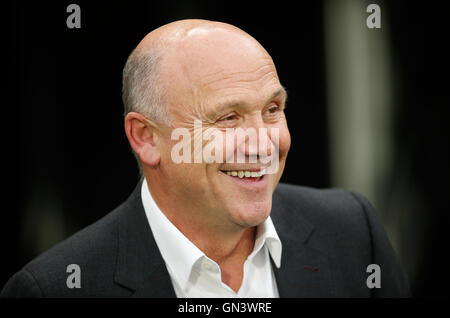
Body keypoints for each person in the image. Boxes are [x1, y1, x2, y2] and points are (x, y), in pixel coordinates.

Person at [1, 19, 410, 297]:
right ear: (146, 138)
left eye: (272, 110)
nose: (262, 144)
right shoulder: (56, 288)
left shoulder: (353, 234)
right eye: (228, 118)